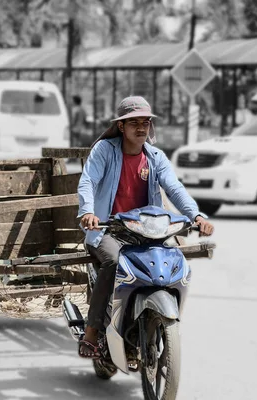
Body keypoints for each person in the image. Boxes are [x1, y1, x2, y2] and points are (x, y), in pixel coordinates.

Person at [76, 95, 215, 358]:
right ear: (121, 126)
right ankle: (92, 333)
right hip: (108, 229)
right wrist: (88, 212)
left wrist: (196, 216)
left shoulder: (155, 157)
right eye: (134, 122)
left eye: (145, 122)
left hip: (146, 231)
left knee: (167, 264)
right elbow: (88, 182)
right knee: (112, 263)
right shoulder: (105, 150)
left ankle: (152, 316)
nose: (141, 128)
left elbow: (174, 188)